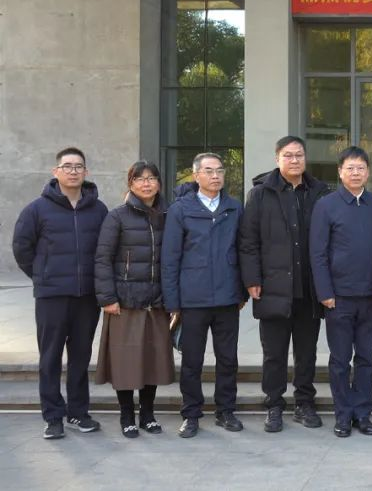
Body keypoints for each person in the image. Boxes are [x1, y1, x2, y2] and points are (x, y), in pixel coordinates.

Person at [12, 147, 108, 440]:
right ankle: (53, 416)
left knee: (80, 357)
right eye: (67, 166)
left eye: (78, 166)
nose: (73, 171)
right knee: (50, 357)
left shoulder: (98, 209)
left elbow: (106, 251)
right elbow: (22, 248)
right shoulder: (36, 209)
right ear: (56, 172)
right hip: (52, 296)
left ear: (86, 172)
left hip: (87, 297)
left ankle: (78, 413)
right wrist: (42, 275)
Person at [239, 136, 330, 432]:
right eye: (288, 155)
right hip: (273, 287)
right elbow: (248, 241)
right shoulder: (260, 194)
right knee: (274, 354)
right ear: (277, 158)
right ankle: (274, 405)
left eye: (299, 155)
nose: (294, 160)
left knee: (307, 353)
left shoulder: (319, 192)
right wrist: (252, 278)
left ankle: (304, 403)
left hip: (309, 289)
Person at [161, 152, 247, 439]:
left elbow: (243, 251)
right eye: (209, 171)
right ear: (196, 175)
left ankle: (226, 411)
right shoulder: (180, 209)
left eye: (219, 171)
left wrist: (242, 291)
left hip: (227, 298)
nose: (215, 176)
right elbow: (170, 258)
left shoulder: (234, 207)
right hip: (192, 299)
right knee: (192, 362)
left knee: (228, 359)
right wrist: (172, 302)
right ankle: (191, 414)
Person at [93, 161, 175, 438]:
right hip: (125, 302)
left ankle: (148, 415)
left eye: (152, 178)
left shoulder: (169, 216)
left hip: (157, 301)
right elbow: (102, 259)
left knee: (153, 360)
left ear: (159, 183)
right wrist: (107, 297)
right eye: (140, 179)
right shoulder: (117, 216)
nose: (146, 183)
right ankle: (126, 416)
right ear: (130, 184)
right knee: (125, 362)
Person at [310, 147, 372, 438]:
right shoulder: (326, 205)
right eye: (350, 168)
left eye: (361, 168)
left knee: (366, 358)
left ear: (368, 172)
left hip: (371, 297)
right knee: (340, 360)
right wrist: (325, 292)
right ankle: (343, 414)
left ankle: (362, 413)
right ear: (340, 172)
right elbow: (318, 253)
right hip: (338, 298)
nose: (355, 173)